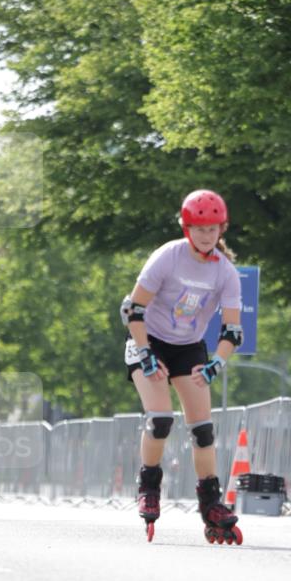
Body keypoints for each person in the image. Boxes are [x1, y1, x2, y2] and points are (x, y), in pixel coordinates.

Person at [120, 189, 244, 543]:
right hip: (149, 340)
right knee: (160, 420)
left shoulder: (226, 273)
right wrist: (145, 354)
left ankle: (211, 504)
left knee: (203, 430)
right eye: (200, 229)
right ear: (186, 227)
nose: (207, 236)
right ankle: (148, 485)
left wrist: (215, 364)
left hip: (188, 347)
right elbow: (133, 310)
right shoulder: (168, 257)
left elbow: (232, 331)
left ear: (222, 229)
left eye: (213, 229)